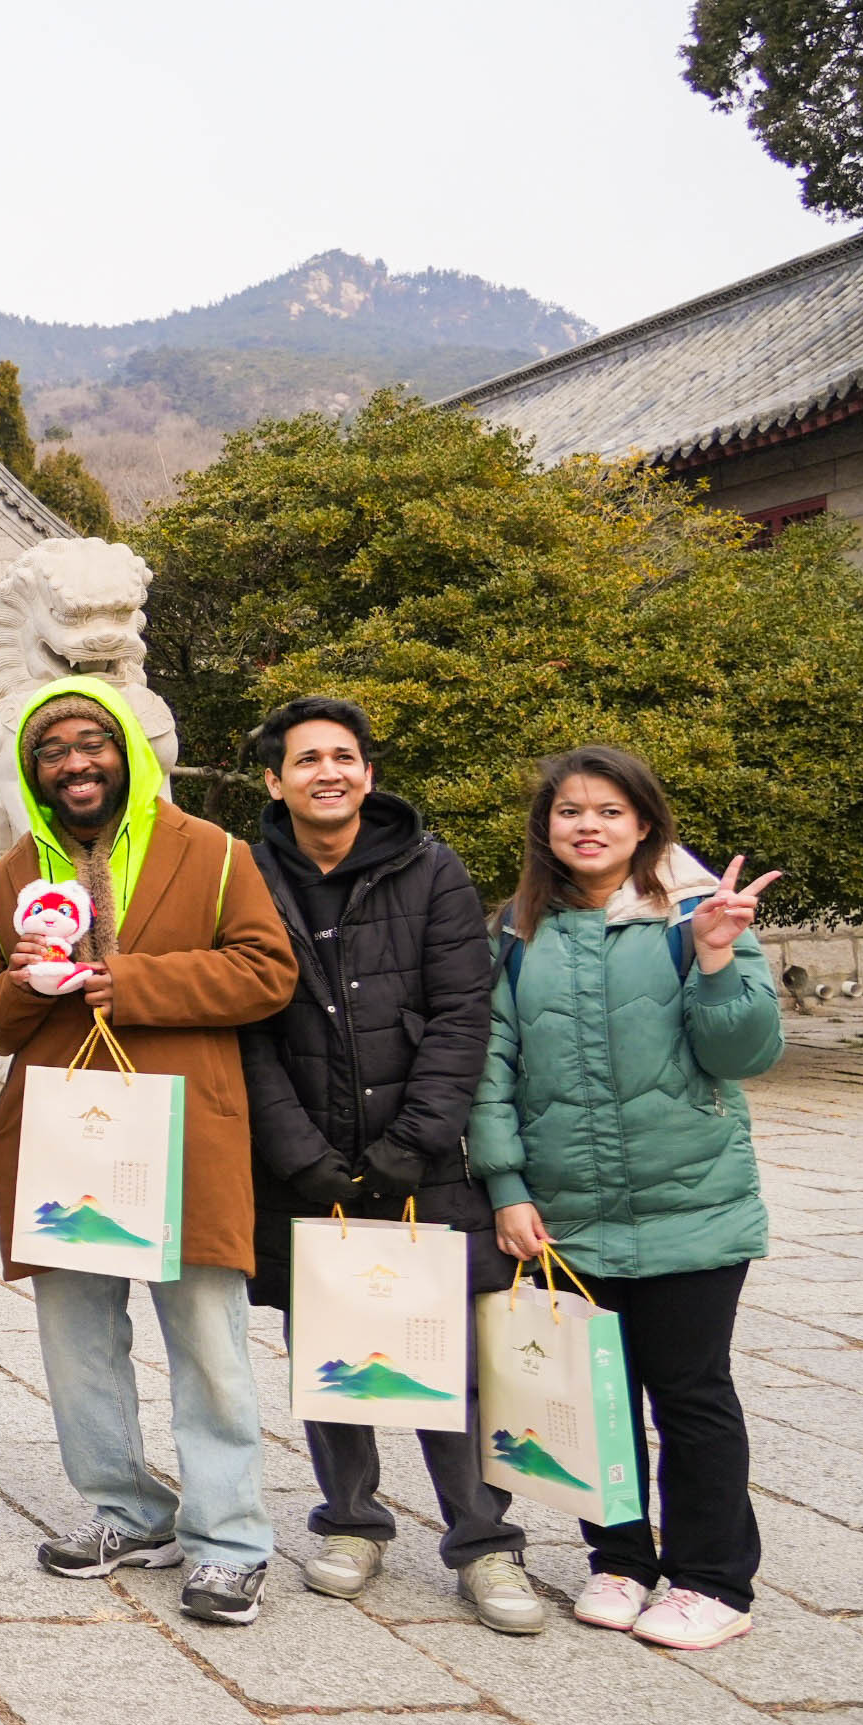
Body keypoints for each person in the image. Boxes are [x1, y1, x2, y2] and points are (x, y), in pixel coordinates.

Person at [0, 678, 298, 1626]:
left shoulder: (216, 853)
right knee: (78, 1347)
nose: (74, 762)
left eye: (90, 742)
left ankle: (230, 1538)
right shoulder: (6, 880)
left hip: (185, 1125)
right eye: (52, 751)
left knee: (208, 1344)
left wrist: (128, 979)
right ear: (32, 773)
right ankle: (125, 1509)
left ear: (128, 753)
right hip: (64, 1135)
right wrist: (33, 980)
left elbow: (267, 971)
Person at [470, 746, 787, 1651]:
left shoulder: (695, 915)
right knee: (589, 1393)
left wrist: (720, 959)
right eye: (570, 811)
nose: (588, 825)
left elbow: (744, 1054)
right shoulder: (519, 932)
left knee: (691, 1395)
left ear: (644, 823)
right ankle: (618, 1559)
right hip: (567, 1213)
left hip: (692, 1203)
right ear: (547, 830)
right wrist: (506, 1185)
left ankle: (712, 1579)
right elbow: (494, 1067)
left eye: (610, 810)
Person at [237, 698, 540, 1633]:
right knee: (332, 1346)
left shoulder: (431, 867)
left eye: (344, 757)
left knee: (448, 1352)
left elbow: (462, 1015)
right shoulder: (245, 875)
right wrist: (299, 1152)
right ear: (274, 780)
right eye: (307, 759)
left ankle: (485, 1543)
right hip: (306, 1159)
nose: (327, 772)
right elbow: (247, 1028)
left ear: (367, 773)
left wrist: (413, 1142)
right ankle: (353, 1519)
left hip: (423, 1156)